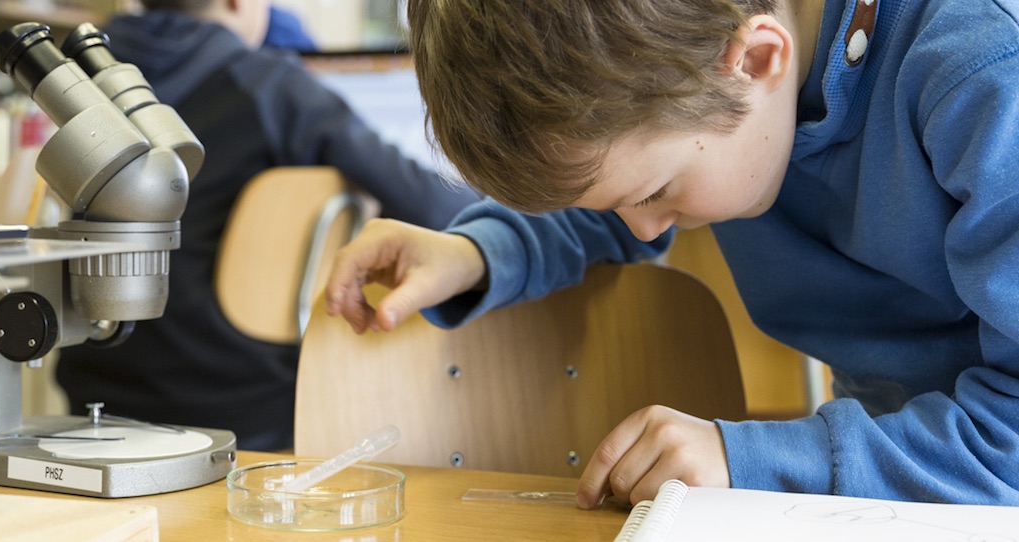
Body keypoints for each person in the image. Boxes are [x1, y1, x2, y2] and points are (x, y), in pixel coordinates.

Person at [323, 0, 1019, 506]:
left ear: (756, 59)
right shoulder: (721, 98)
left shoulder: (983, 70)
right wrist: (477, 251)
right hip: (888, 491)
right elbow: (621, 194)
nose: (647, 228)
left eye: (658, 191)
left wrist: (753, 458)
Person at [56, 0, 480, 451]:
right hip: (239, 411)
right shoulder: (269, 86)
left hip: (94, 394)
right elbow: (436, 207)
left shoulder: (74, 86)